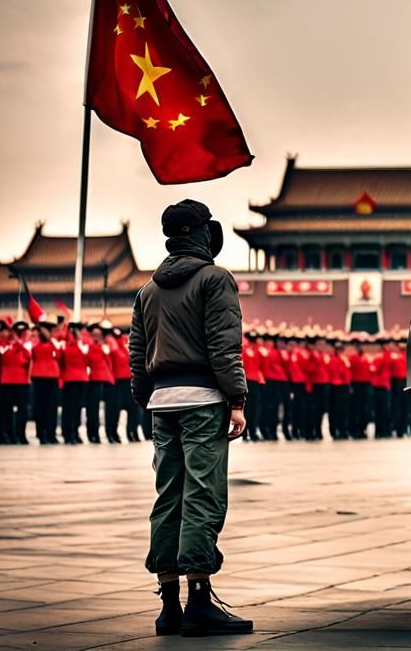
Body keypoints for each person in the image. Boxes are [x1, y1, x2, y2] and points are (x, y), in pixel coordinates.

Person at [129, 199, 253, 637]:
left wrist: (147, 398)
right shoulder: (214, 279)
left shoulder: (147, 289)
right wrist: (236, 399)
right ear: (203, 233)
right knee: (203, 493)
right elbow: (224, 344)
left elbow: (138, 355)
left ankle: (169, 605)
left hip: (163, 402)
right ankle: (199, 598)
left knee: (168, 497)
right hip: (203, 399)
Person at [0, 321, 31, 444]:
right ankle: (6, 434)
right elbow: (4, 357)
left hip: (22, 381)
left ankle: (20, 435)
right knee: (6, 410)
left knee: (22, 411)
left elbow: (28, 357)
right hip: (7, 381)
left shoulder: (24, 345)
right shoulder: (4, 344)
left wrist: (19, 343)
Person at [29, 317, 63, 444]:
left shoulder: (53, 343)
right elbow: (36, 352)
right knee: (41, 407)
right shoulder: (36, 344)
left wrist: (51, 339)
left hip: (52, 376)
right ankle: (41, 433)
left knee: (52, 407)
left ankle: (51, 433)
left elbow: (59, 354)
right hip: (40, 377)